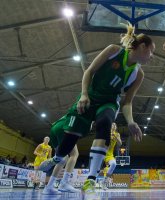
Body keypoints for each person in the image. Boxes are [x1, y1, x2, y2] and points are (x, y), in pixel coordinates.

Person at [39, 23, 155, 194]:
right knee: (71, 137)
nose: (152, 56)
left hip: (108, 102)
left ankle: (91, 180)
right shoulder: (113, 51)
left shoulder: (139, 74)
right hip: (89, 97)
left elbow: (127, 102)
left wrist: (131, 121)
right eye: (151, 51)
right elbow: (89, 71)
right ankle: (55, 159)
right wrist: (84, 94)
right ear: (143, 46)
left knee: (105, 123)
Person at [42, 116, 80, 195]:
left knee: (62, 159)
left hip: (55, 127)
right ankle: (64, 183)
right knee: (74, 153)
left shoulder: (75, 106)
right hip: (65, 127)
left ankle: (49, 187)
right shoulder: (91, 109)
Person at [99, 122, 122, 190]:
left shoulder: (117, 134)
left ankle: (104, 182)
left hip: (109, 154)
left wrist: (115, 137)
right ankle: (89, 179)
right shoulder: (106, 132)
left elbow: (120, 143)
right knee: (97, 170)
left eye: (115, 125)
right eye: (112, 124)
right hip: (102, 152)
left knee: (114, 164)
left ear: (116, 127)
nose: (114, 126)